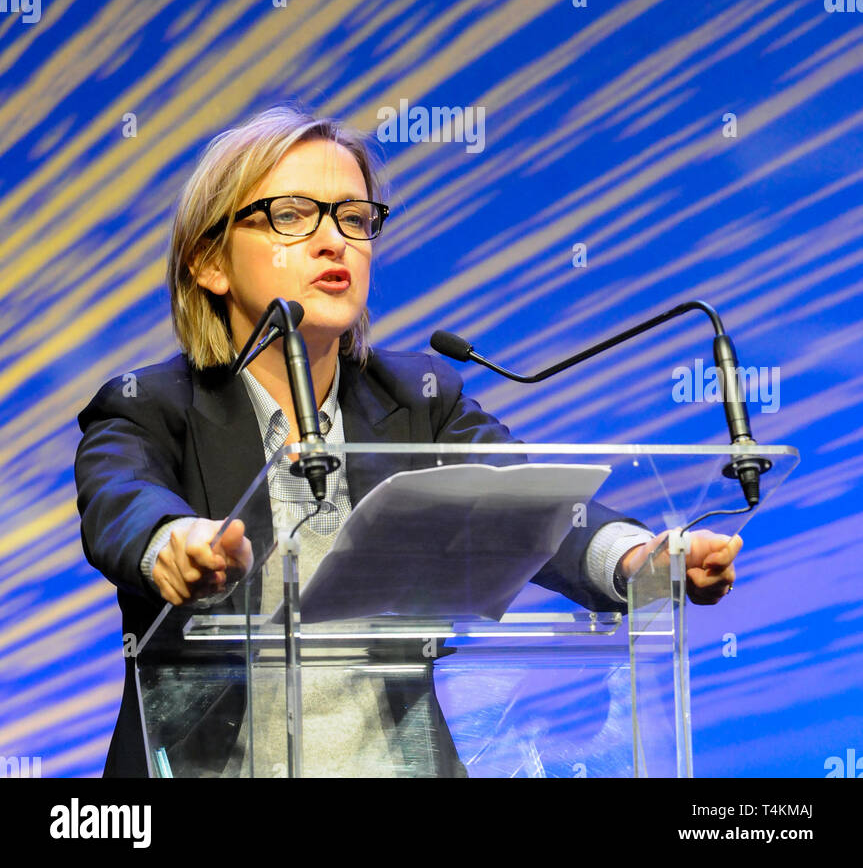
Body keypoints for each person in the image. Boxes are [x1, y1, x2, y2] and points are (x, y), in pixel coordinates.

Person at [75, 103, 742, 778]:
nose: (334, 242)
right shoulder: (151, 408)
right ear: (209, 263)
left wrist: (635, 560)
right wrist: (171, 544)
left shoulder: (419, 397)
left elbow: (527, 505)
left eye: (354, 218)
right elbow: (119, 500)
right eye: (291, 215)